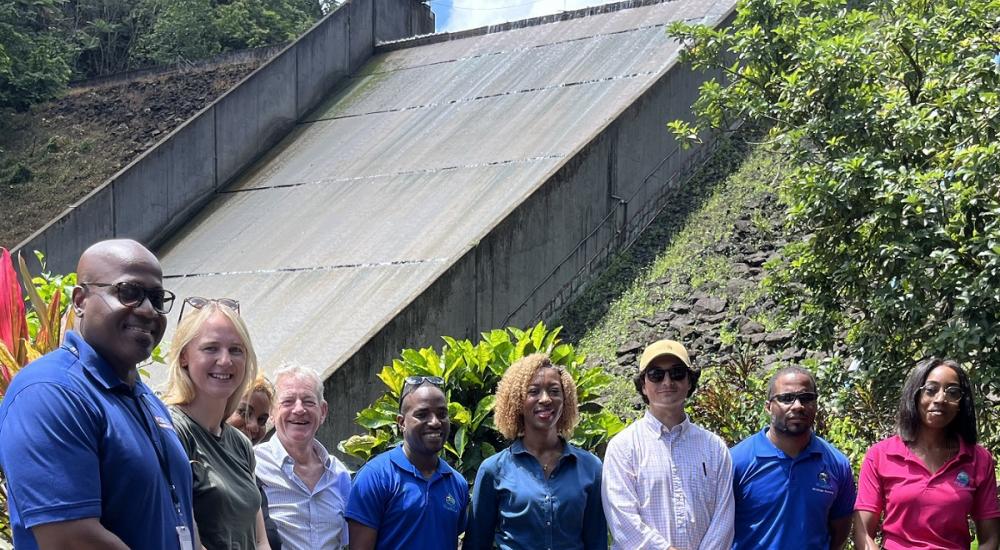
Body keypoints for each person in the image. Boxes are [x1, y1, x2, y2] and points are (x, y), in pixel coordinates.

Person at [0, 239, 196, 549]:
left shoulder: (145, 399)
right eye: (129, 293)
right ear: (79, 300)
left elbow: (178, 518)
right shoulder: (49, 393)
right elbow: (71, 540)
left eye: (157, 299)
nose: (148, 310)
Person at [854, 358, 1000, 550]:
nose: (940, 399)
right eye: (931, 390)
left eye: (953, 392)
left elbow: (990, 539)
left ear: (961, 402)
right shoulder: (881, 455)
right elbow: (862, 532)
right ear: (915, 395)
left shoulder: (979, 459)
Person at [602, 339, 734, 549]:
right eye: (656, 374)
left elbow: (724, 518)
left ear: (689, 382)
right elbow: (622, 520)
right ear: (643, 385)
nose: (667, 382)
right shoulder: (623, 447)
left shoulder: (714, 447)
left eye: (677, 373)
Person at [465, 353, 607, 550]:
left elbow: (596, 542)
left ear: (565, 400)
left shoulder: (590, 467)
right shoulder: (493, 470)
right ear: (517, 402)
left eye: (554, 391)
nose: (546, 399)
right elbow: (476, 544)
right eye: (533, 392)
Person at [162, 296, 270, 550]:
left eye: (236, 350)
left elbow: (259, 539)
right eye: (211, 348)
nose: (225, 361)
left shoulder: (240, 444)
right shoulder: (172, 431)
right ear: (184, 356)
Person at [730, 366, 855, 549]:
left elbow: (840, 530)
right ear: (768, 407)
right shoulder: (737, 461)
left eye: (806, 398)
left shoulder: (836, 464)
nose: (797, 406)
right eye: (787, 398)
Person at [346, 377, 469, 549]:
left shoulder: (457, 483)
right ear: (402, 423)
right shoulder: (375, 476)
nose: (435, 422)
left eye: (442, 414)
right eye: (422, 415)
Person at [254, 364, 352, 550]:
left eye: (308, 401)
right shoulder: (254, 465)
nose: (299, 409)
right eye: (288, 401)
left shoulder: (339, 474)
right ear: (272, 413)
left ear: (322, 411)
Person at [227, 374, 283, 550]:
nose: (253, 426)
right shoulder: (203, 468)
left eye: (262, 420)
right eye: (244, 412)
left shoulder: (250, 476)